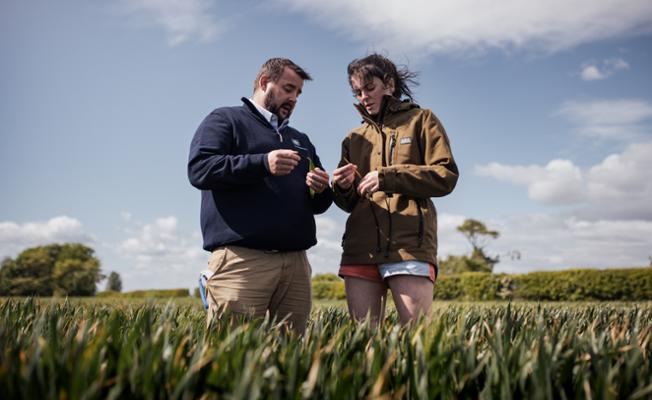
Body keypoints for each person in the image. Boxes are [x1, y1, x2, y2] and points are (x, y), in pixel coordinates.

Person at [188, 58, 333, 335]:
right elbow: (200, 169)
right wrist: (262, 163)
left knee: (291, 360)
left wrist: (322, 188)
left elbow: (318, 204)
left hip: (296, 266)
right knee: (232, 359)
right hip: (242, 261)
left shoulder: (300, 139)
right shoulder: (225, 119)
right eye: (288, 89)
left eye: (298, 93)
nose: (294, 98)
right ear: (264, 82)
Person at [331, 54, 459, 326]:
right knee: (362, 343)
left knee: (416, 341)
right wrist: (342, 188)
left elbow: (445, 176)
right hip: (360, 249)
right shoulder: (353, 138)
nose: (363, 97)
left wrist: (388, 177)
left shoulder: (422, 120)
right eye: (357, 92)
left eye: (369, 88)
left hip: (410, 246)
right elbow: (350, 202)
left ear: (388, 83)